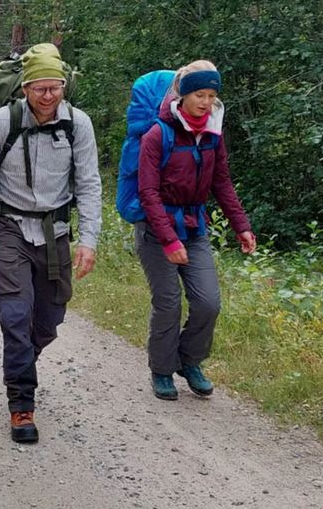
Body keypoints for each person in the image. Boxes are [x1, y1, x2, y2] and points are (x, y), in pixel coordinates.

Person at [0, 43, 102, 444]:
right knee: (15, 315)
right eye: (40, 89)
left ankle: (21, 360)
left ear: (64, 86)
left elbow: (89, 184)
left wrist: (89, 240)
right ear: (25, 88)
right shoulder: (3, 122)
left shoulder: (78, 125)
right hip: (10, 229)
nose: (48, 96)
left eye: (55, 88)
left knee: (48, 321)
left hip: (55, 232)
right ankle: (21, 406)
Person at [135, 60, 255, 401]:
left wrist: (241, 226)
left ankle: (189, 361)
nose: (206, 102)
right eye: (200, 94)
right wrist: (169, 240)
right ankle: (161, 370)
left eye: (212, 95)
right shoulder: (158, 134)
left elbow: (222, 183)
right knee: (168, 303)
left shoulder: (213, 135)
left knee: (208, 303)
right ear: (183, 95)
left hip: (194, 228)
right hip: (155, 231)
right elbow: (148, 193)